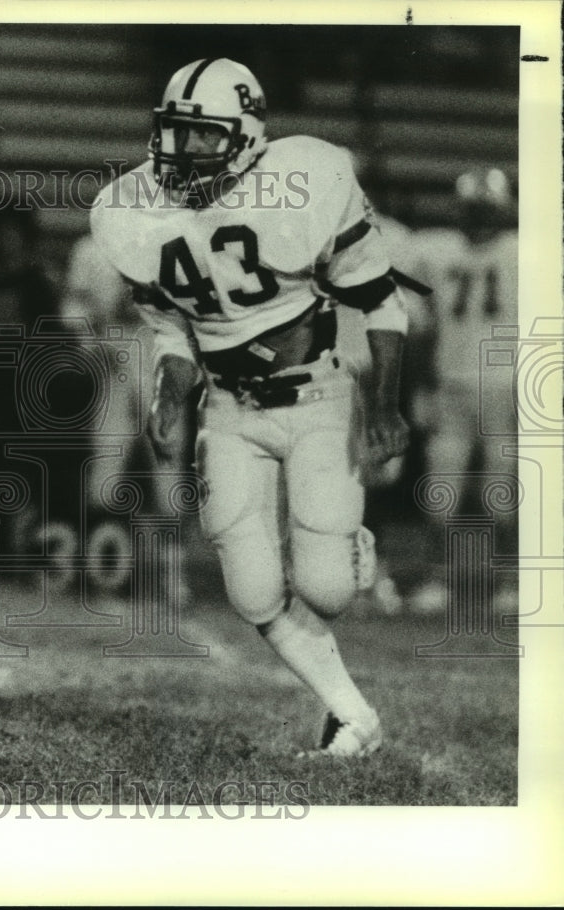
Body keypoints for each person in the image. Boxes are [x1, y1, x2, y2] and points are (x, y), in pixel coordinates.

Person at [91, 58, 411, 757]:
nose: (181, 153)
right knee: (252, 591)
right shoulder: (137, 209)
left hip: (320, 396)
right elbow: (171, 326)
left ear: (248, 138)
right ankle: (354, 716)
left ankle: (350, 548)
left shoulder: (304, 182)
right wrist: (169, 390)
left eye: (202, 137)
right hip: (229, 410)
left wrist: (384, 403)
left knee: (326, 593)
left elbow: (380, 302)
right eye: (174, 134)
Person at [405, 168, 518, 612]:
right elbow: (419, 327)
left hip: (506, 387)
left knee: (502, 492)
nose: (481, 218)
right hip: (450, 385)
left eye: (487, 209)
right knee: (442, 488)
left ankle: (510, 581)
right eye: (474, 209)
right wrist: (421, 387)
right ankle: (441, 577)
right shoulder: (433, 251)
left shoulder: (524, 253)